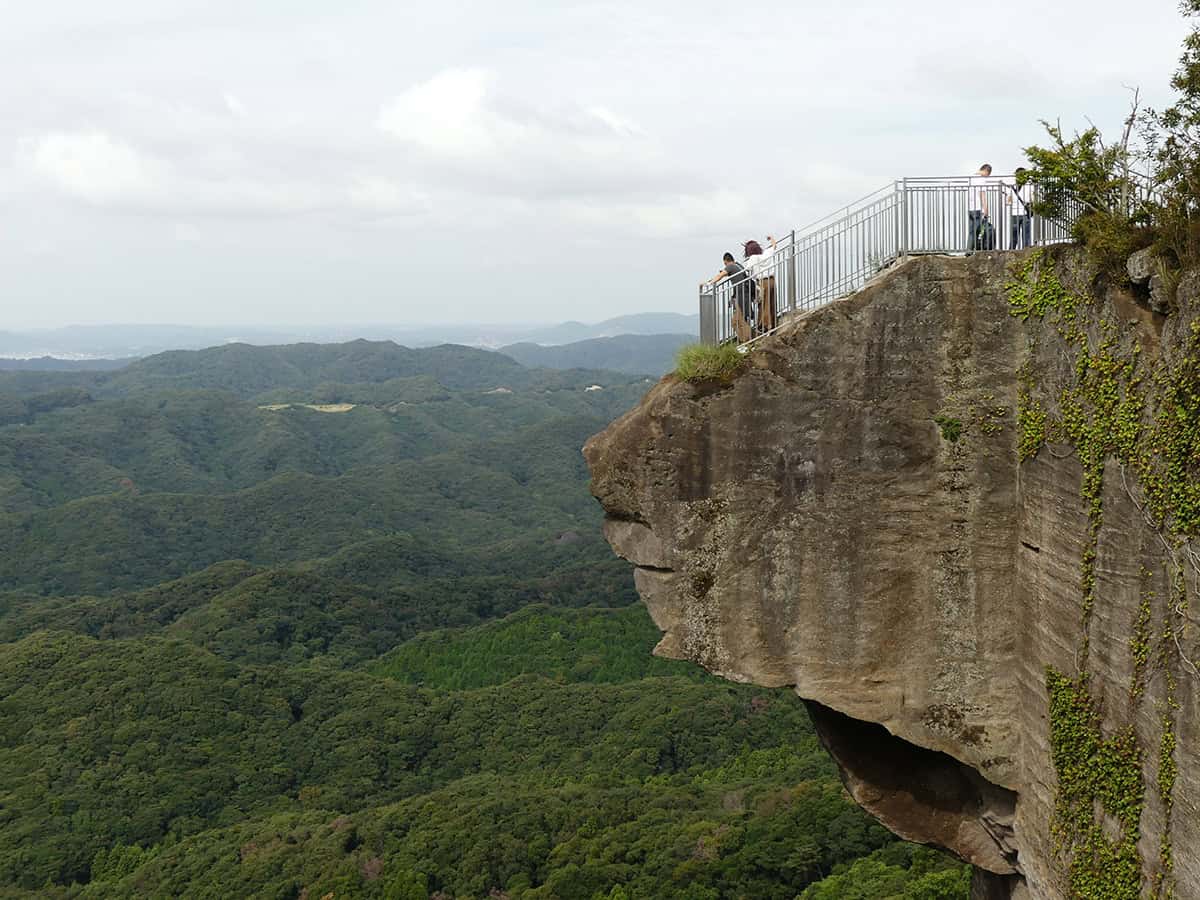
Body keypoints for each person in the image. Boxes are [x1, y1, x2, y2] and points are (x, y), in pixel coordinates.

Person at [704, 252, 757, 342]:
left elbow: (720, 276)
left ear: (725, 261)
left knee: (736, 322)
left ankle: (749, 341)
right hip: (745, 296)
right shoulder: (738, 266)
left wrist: (708, 283)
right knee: (741, 320)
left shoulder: (730, 266)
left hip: (741, 297)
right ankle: (748, 340)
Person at [743, 236, 780, 333]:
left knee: (763, 304)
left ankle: (764, 326)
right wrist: (771, 238)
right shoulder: (767, 253)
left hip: (763, 282)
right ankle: (773, 324)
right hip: (772, 281)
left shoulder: (753, 258)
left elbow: (747, 269)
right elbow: (774, 245)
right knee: (772, 302)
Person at [968, 164, 994, 252]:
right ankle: (974, 250)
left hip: (970, 208)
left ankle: (969, 250)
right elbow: (982, 195)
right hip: (977, 208)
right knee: (977, 230)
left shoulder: (972, 177)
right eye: (988, 175)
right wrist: (986, 209)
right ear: (987, 171)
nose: (987, 177)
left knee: (972, 231)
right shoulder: (981, 180)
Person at [1007, 167, 1034, 249]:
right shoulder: (1029, 186)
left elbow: (1008, 201)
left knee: (1014, 234)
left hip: (1014, 213)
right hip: (1025, 213)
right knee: (1026, 235)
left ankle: (1011, 250)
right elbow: (1032, 199)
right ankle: (1026, 251)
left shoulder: (1012, 187)